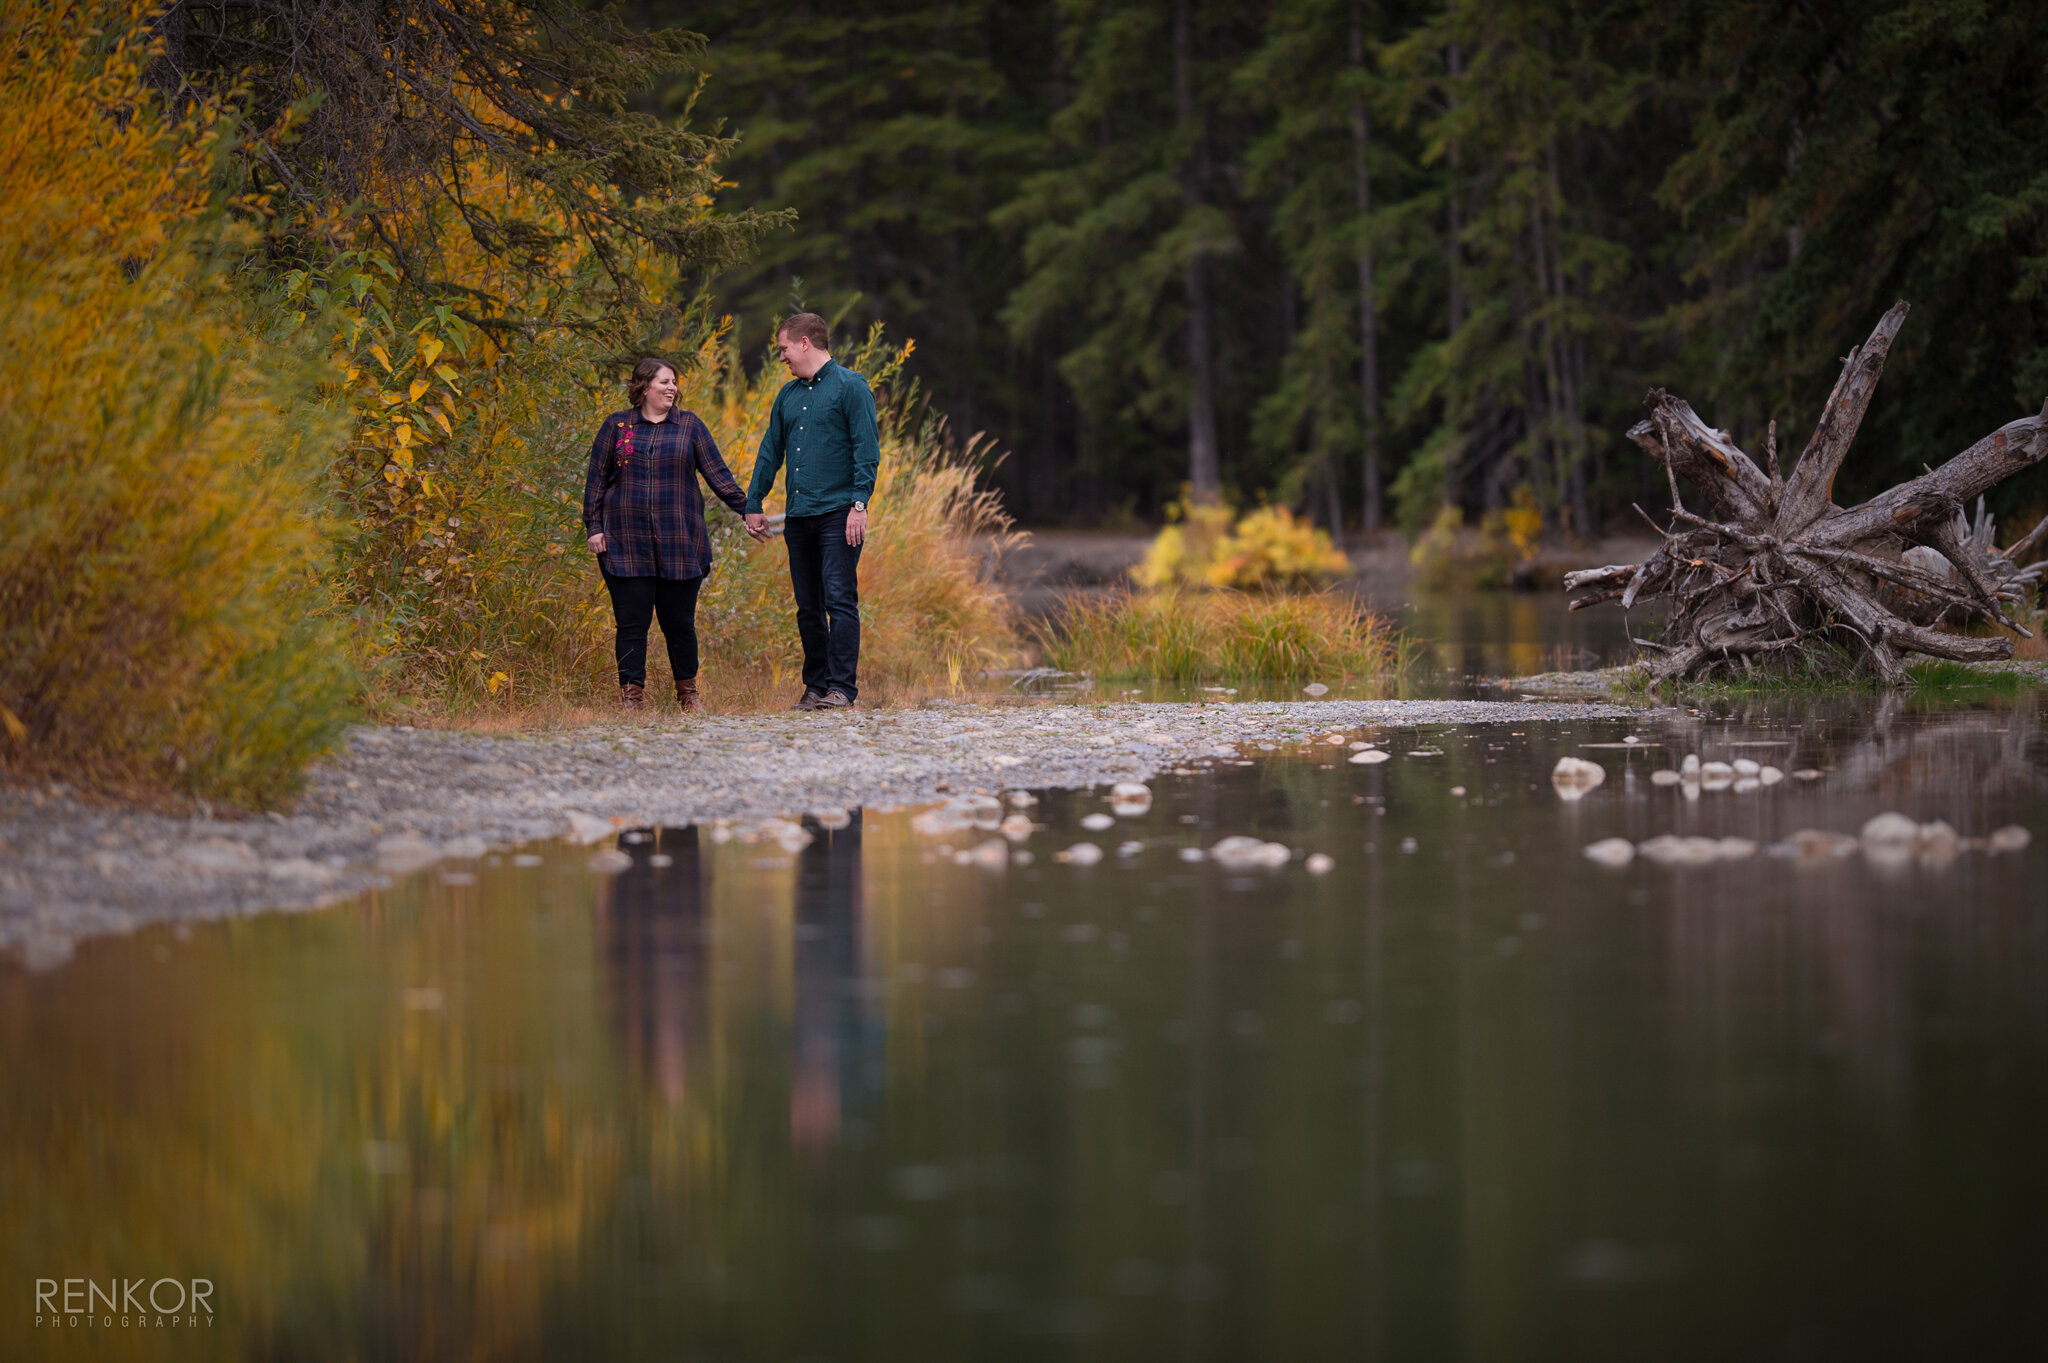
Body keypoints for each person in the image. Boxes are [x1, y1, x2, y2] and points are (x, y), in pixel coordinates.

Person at [583, 357, 763, 712]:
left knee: (680, 624)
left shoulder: (689, 427)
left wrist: (749, 510)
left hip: (681, 544)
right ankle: (631, 699)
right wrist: (594, 527)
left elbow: (718, 475)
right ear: (643, 386)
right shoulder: (618, 426)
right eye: (664, 382)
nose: (672, 388)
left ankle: (688, 695)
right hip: (625, 543)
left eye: (674, 382)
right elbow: (597, 481)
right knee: (631, 624)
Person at [744, 313, 880, 711]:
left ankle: (842, 689)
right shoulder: (788, 396)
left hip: (839, 512)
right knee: (808, 606)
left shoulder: (851, 387)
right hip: (799, 516)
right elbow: (771, 451)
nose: (781, 357)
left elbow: (866, 452)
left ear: (805, 342)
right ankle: (815, 687)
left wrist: (859, 505)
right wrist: (754, 502)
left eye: (783, 348)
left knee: (839, 600)